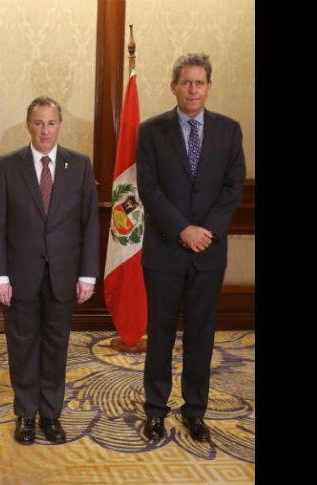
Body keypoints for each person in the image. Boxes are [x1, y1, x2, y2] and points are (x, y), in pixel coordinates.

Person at [136, 53, 246, 443]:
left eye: (200, 83)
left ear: (209, 87)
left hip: (208, 254)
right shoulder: (151, 131)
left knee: (202, 336)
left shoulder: (229, 131)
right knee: (161, 336)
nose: (193, 89)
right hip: (165, 251)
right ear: (174, 86)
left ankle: (195, 411)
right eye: (186, 82)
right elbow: (148, 189)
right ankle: (155, 410)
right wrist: (183, 229)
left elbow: (233, 189)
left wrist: (206, 232)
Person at [0, 96, 99, 445]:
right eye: (38, 122)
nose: (44, 130)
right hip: (19, 277)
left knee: (56, 347)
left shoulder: (79, 166)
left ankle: (51, 414)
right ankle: (25, 415)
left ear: (59, 125)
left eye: (51, 123)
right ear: (28, 125)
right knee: (21, 347)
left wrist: (88, 274)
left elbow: (89, 224)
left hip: (64, 276)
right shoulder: (9, 165)